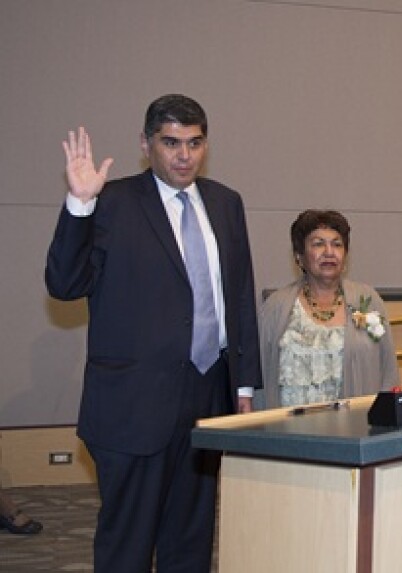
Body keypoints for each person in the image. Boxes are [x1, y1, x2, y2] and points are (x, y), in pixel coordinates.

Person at [45, 94, 261, 572]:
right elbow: (63, 284)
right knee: (128, 545)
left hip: (208, 394)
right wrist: (80, 204)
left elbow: (239, 295)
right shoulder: (112, 202)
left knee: (192, 541)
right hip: (131, 404)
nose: (184, 155)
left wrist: (244, 383)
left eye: (195, 142)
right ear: (146, 144)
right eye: (171, 143)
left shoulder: (226, 203)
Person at [259, 210, 400, 408]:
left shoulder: (367, 300)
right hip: (291, 431)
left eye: (337, 244)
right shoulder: (276, 307)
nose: (329, 252)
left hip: (356, 428)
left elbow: (388, 371)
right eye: (318, 244)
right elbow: (261, 377)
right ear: (299, 256)